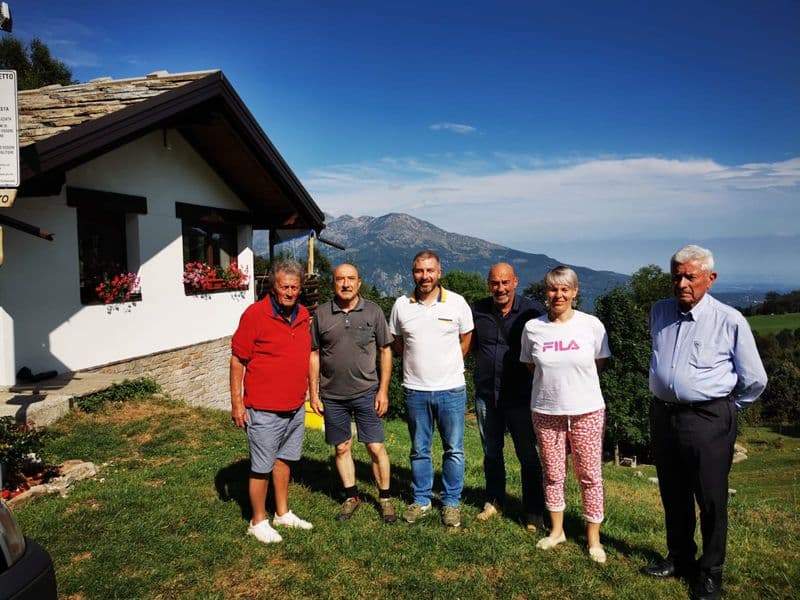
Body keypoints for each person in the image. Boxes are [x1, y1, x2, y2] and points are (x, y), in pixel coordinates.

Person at [642, 245, 767, 600]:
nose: (682, 283)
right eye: (677, 276)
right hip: (664, 415)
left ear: (710, 279)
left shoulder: (730, 320)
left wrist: (725, 408)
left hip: (708, 418)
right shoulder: (659, 311)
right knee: (673, 492)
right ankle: (679, 558)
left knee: (711, 499)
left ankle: (710, 573)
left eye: (690, 276)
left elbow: (755, 378)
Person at [519, 266, 611, 563]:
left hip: (586, 410)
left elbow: (598, 363)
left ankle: (593, 538)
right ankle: (557, 531)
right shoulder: (533, 328)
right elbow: (531, 365)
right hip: (546, 410)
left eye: (564, 289)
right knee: (553, 473)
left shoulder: (592, 325)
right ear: (545, 292)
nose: (558, 295)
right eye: (552, 289)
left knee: (589, 475)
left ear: (574, 291)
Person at [230, 259, 314, 544]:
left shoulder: (303, 315)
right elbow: (238, 360)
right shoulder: (255, 314)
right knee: (261, 466)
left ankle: (281, 512)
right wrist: (237, 403)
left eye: (294, 287)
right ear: (273, 286)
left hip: (294, 406)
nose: (289, 292)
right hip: (263, 408)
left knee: (284, 461)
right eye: (284, 286)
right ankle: (257, 520)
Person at [389, 250, 474, 527]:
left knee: (454, 449)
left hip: (451, 389)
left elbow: (466, 339)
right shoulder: (401, 305)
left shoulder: (457, 303)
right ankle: (422, 499)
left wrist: (447, 366)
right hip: (415, 389)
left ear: (439, 272)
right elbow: (398, 343)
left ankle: (451, 503)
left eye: (429, 271)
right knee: (419, 448)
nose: (424, 276)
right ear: (412, 272)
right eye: (419, 271)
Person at [309, 263, 397, 523]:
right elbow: (313, 353)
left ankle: (385, 498)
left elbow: (386, 350)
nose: (345, 284)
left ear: (359, 283)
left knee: (375, 446)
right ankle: (351, 496)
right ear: (333, 283)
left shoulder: (373, 311)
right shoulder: (322, 314)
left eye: (351, 279)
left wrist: (383, 390)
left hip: (367, 391)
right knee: (341, 447)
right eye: (340, 279)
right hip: (332, 395)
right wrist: (313, 393)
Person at [471, 262, 546, 530]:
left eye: (505, 283)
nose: (499, 288)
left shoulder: (533, 312)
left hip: (521, 396)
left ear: (515, 282)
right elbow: (474, 347)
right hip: (487, 394)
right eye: (494, 283)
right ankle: (494, 500)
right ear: (488, 284)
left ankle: (534, 511)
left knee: (527, 454)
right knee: (491, 452)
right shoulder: (477, 310)